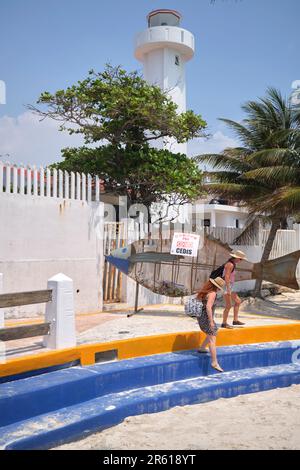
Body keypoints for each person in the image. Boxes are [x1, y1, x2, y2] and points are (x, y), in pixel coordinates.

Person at [195, 276, 225, 373]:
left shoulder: (205, 292)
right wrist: (211, 321)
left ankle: (202, 348)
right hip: (206, 319)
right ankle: (214, 362)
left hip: (201, 318)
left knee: (213, 331)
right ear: (217, 287)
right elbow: (208, 307)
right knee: (213, 339)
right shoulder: (212, 294)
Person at [221, 250, 247, 329]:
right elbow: (227, 277)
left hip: (230, 285)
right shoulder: (230, 265)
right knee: (228, 306)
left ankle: (235, 320)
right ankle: (224, 323)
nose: (241, 261)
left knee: (238, 301)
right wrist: (228, 289)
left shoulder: (232, 264)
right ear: (237, 258)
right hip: (227, 285)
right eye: (241, 259)